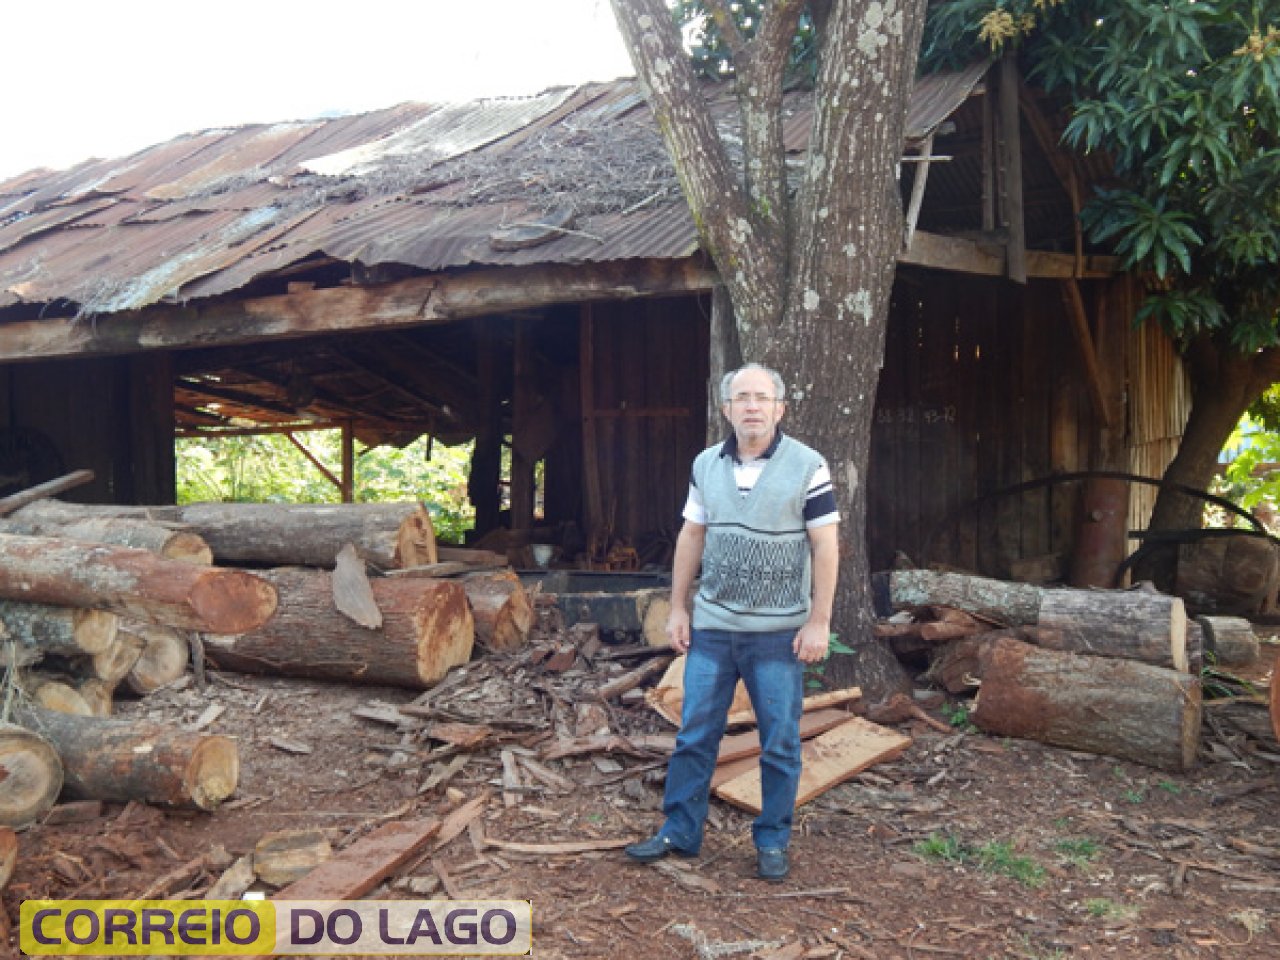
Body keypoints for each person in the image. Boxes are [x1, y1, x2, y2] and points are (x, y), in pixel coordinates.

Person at [624, 362, 839, 882]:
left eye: (761, 397)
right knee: (695, 734)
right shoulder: (706, 465)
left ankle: (772, 840)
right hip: (715, 629)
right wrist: (679, 607)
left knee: (780, 741)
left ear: (779, 408)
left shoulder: (808, 465)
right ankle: (680, 830)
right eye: (742, 397)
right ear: (726, 409)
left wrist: (819, 621)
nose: (752, 406)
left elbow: (825, 544)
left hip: (778, 634)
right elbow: (691, 536)